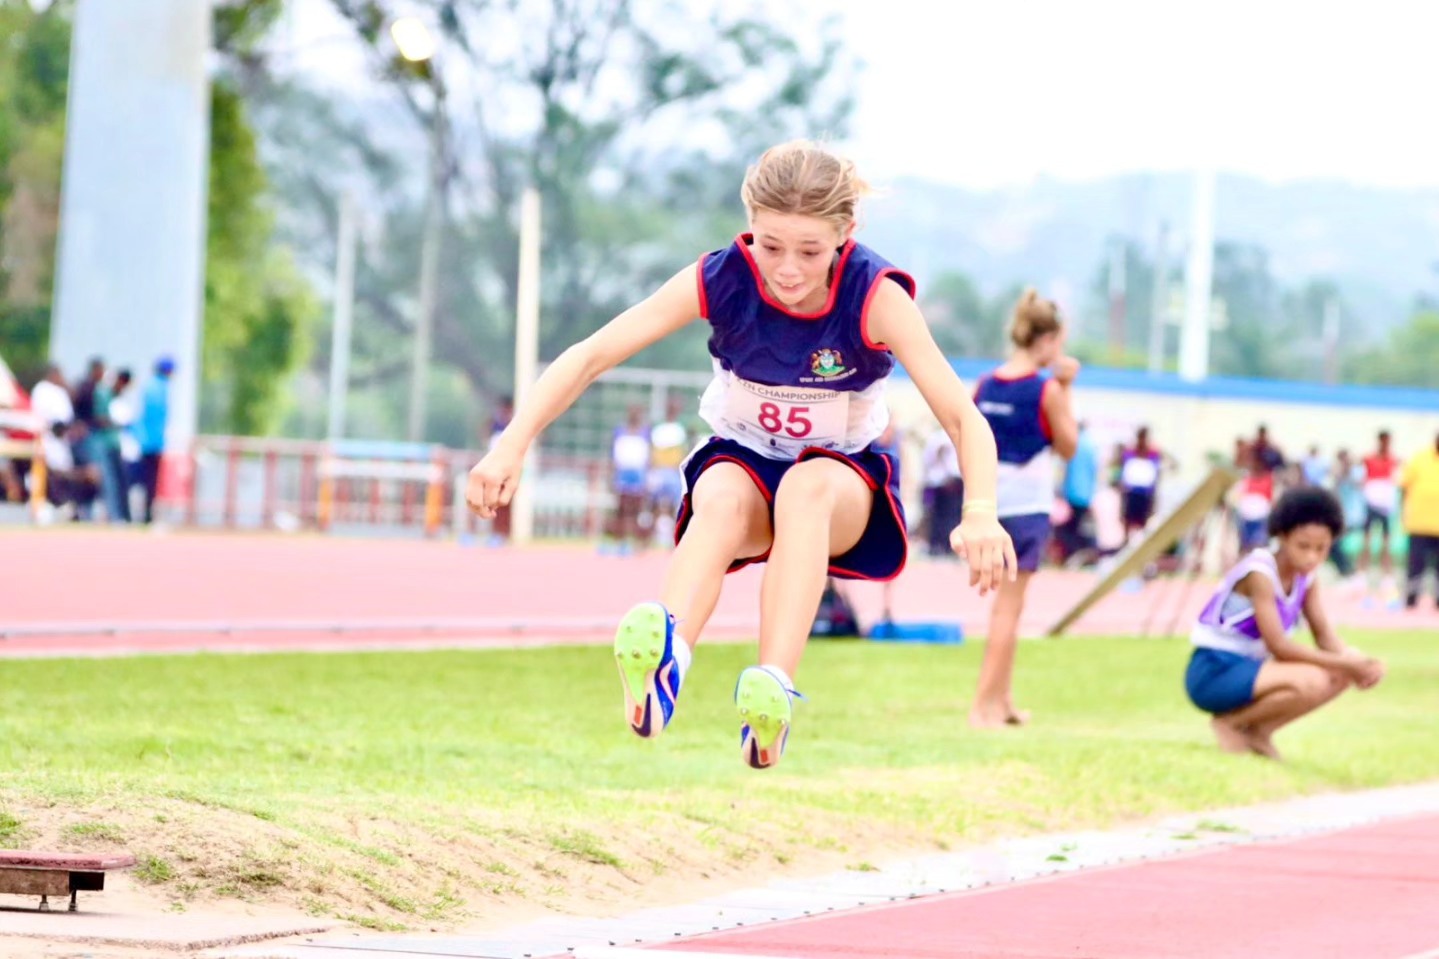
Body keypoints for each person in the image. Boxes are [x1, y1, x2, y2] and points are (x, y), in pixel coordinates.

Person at [466, 140, 1015, 769]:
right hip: (746, 458)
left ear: (846, 235)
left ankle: (772, 689)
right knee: (721, 495)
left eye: (809, 251)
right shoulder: (721, 278)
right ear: (748, 223)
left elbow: (961, 416)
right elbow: (593, 354)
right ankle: (668, 652)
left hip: (838, 480)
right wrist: (510, 447)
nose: (786, 269)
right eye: (770, 244)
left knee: (803, 491)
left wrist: (979, 509)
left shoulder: (876, 297)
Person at [1184, 488, 1385, 761]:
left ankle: (1259, 731)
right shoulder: (1261, 573)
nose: (1312, 557)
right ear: (1283, 537)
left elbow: (1324, 635)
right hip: (1214, 670)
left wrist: (1359, 661)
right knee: (1313, 679)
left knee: (1342, 673)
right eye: (1303, 546)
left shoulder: (1307, 578)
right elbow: (1279, 646)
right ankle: (1229, 723)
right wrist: (1347, 663)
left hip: (1252, 670)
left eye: (1321, 549)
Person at [967, 290, 1078, 728]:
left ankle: (1004, 699)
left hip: (990, 504)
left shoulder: (987, 383)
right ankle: (982, 706)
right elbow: (1068, 446)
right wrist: (1066, 387)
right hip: (1028, 507)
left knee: (1005, 608)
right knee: (1008, 611)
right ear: (1048, 340)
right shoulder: (1046, 388)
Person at [1398, 432, 1439, 610]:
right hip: (1419, 523)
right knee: (1416, 565)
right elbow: (1404, 487)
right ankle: (1411, 600)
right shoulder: (1420, 458)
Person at [1357, 429, 1400, 596]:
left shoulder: (1393, 460)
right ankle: (1361, 574)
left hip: (1386, 505)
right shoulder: (1368, 459)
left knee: (1386, 542)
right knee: (1366, 541)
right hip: (1371, 503)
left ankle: (1387, 577)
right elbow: (1362, 478)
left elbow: (1396, 480)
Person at [135, 356, 174, 524]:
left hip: (144, 439)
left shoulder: (149, 386)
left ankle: (145, 513)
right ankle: (147, 514)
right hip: (154, 442)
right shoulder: (161, 387)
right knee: (150, 480)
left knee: (145, 480)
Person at [1054, 420, 1097, 564]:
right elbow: (1094, 472)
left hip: (1071, 492)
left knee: (1068, 529)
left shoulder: (1073, 444)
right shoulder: (1091, 446)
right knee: (1077, 527)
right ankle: (1077, 555)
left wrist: (1060, 490)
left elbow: (1064, 470)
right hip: (1085, 495)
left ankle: (1073, 555)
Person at [1118, 426, 1163, 541]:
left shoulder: (1153, 454)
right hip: (1131, 493)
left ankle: (1140, 543)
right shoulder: (1130, 452)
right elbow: (1124, 473)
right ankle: (1126, 542)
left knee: (1143, 522)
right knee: (1128, 520)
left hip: (1145, 495)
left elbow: (1156, 477)